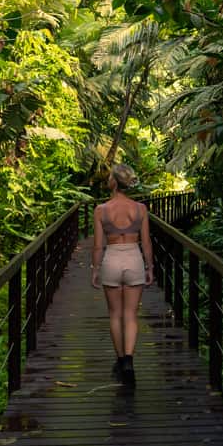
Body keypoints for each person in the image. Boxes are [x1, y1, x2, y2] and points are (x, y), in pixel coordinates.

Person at [91, 164, 153, 388]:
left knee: (115, 314)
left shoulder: (101, 210)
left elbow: (98, 246)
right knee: (130, 314)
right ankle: (129, 361)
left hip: (113, 259)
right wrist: (150, 267)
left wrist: (96, 269)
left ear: (114, 182)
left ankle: (119, 361)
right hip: (134, 258)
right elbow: (146, 241)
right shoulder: (140, 209)